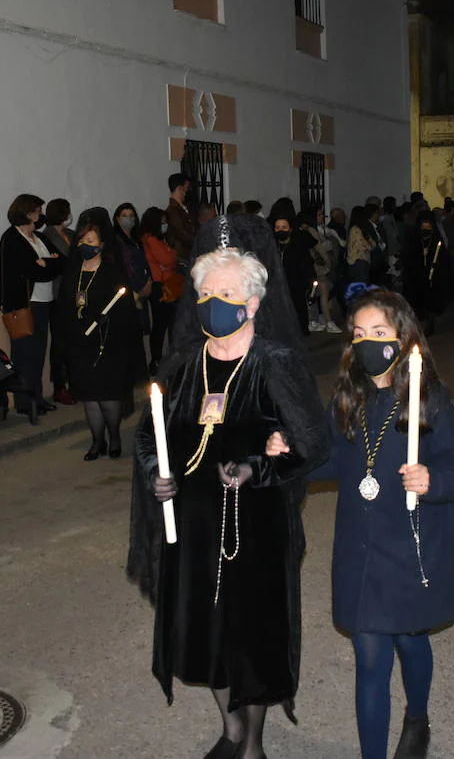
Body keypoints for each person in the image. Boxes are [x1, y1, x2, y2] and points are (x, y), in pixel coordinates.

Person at [127, 215, 328, 759]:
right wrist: (155, 474)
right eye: (205, 292)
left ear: (253, 303)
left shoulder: (275, 363)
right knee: (206, 631)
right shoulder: (187, 366)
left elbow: (315, 444)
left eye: (226, 292)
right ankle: (230, 729)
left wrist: (258, 469)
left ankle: (254, 742)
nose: (213, 301)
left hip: (253, 526)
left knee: (250, 638)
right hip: (193, 525)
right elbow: (150, 436)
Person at [296, 289, 454, 759]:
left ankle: (417, 716)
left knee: (411, 643)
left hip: (410, 542)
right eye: (359, 334)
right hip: (362, 547)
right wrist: (289, 459)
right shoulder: (348, 399)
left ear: (404, 338)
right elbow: (333, 462)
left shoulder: (428, 400)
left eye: (379, 333)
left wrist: (432, 479)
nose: (368, 342)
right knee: (370, 656)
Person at [57, 210, 145, 460]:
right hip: (80, 343)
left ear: (102, 244)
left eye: (91, 242)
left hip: (108, 346)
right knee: (89, 397)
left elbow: (125, 310)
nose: (85, 246)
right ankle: (97, 441)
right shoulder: (72, 273)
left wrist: (106, 320)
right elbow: (64, 306)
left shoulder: (111, 273)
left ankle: (115, 436)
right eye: (82, 241)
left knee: (107, 395)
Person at [0, 194, 63, 418]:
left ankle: (37, 398)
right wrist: (46, 265)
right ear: (27, 213)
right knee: (25, 353)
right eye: (38, 211)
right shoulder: (12, 239)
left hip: (45, 302)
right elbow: (32, 271)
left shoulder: (39, 238)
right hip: (24, 304)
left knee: (38, 353)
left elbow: (61, 262)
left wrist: (49, 263)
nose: (41, 215)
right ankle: (26, 402)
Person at [41, 198, 77, 406]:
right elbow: (60, 262)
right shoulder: (47, 235)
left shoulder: (71, 234)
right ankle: (59, 386)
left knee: (74, 341)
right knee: (60, 342)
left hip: (75, 292)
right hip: (59, 294)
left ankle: (75, 381)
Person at [141, 206, 182, 371]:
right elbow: (167, 259)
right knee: (161, 323)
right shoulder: (150, 239)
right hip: (161, 285)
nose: (165, 225)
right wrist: (171, 257)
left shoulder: (159, 239)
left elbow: (173, 257)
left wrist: (171, 257)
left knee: (168, 322)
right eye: (162, 222)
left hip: (170, 282)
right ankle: (156, 360)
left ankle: (165, 358)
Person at [401, 212, 446, 336]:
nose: (425, 230)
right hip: (417, 276)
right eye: (423, 228)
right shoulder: (414, 239)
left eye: (428, 228)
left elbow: (443, 258)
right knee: (417, 301)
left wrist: (436, 266)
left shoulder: (437, 240)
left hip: (432, 277)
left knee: (430, 301)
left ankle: (430, 323)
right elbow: (408, 256)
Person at [272, 213, 316, 336]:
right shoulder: (271, 247)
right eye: (277, 227)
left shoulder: (298, 246)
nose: (280, 230)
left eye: (284, 227)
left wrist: (310, 285)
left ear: (290, 229)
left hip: (295, 287)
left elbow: (307, 266)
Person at [166, 173, 197, 261]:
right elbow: (183, 234)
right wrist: (200, 243)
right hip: (183, 256)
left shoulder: (182, 208)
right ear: (179, 189)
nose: (187, 193)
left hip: (188, 254)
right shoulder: (172, 211)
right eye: (186, 189)